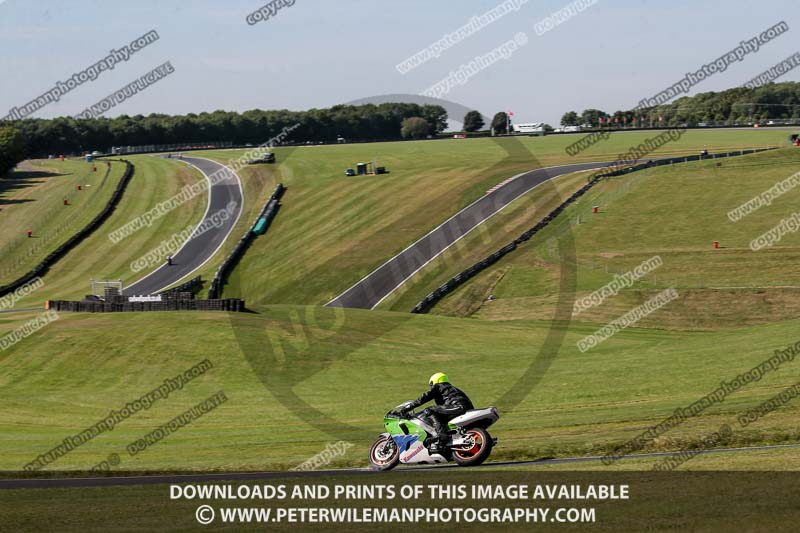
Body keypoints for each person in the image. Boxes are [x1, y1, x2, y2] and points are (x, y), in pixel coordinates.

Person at [406, 372, 474, 452]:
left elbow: (424, 397)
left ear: (434, 381)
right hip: (467, 409)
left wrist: (408, 408)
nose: (431, 387)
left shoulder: (439, 386)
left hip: (456, 406)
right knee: (442, 418)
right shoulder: (454, 389)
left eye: (431, 384)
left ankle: (441, 434)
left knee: (429, 410)